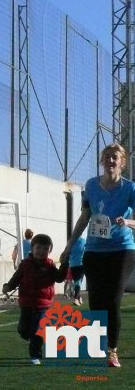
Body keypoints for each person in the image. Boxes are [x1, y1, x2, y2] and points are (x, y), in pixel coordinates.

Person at [59, 142, 135, 368]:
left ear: (122, 162)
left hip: (122, 249)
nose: (111, 161)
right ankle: (99, 346)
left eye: (115, 158)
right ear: (102, 161)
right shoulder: (91, 186)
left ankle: (112, 351)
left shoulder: (130, 188)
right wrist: (70, 245)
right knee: (96, 304)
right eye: (107, 157)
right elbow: (84, 218)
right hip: (94, 251)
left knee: (112, 300)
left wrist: (128, 222)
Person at [2, 234, 68, 365]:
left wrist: (65, 263)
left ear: (49, 251)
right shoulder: (25, 265)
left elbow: (60, 278)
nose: (41, 251)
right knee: (23, 330)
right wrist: (8, 286)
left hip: (43, 306)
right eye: (38, 248)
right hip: (26, 304)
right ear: (32, 248)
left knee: (38, 331)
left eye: (45, 249)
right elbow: (16, 278)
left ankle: (35, 355)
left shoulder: (50, 266)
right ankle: (32, 336)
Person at [68, 236, 86, 306]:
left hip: (72, 264)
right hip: (81, 263)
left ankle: (79, 298)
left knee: (77, 282)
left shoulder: (71, 241)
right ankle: (76, 299)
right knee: (78, 282)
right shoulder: (83, 241)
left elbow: (68, 251)